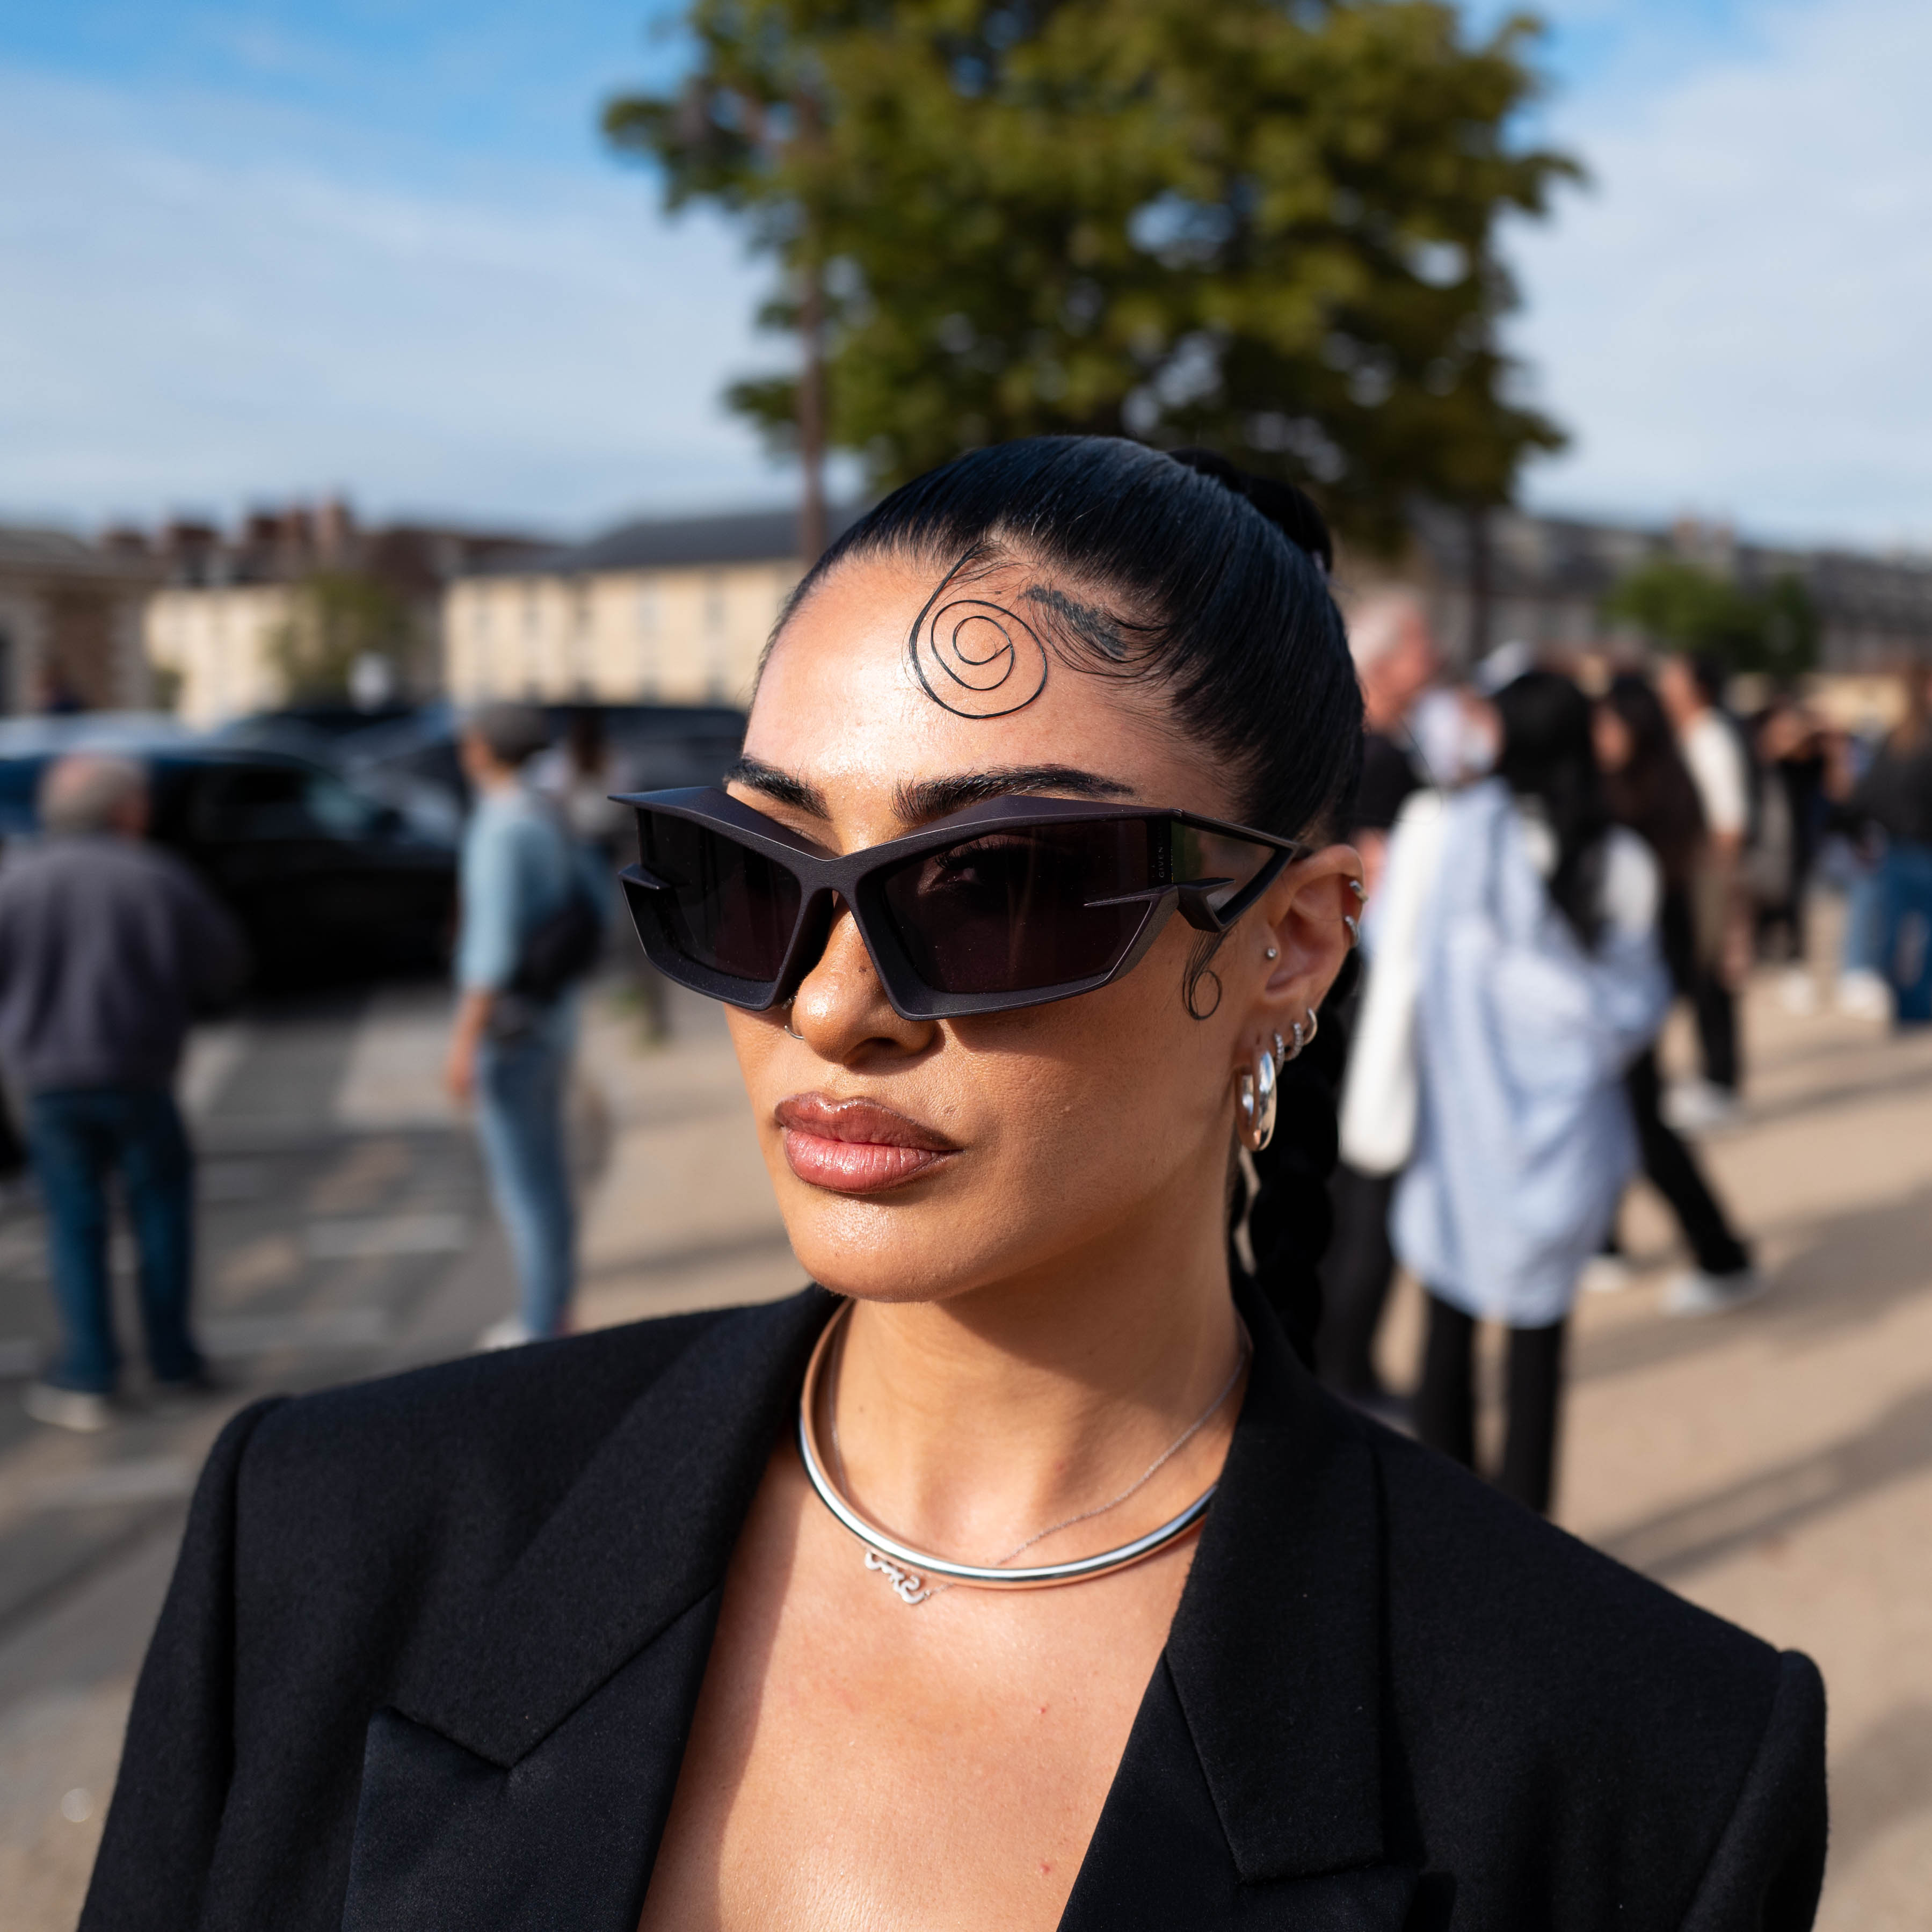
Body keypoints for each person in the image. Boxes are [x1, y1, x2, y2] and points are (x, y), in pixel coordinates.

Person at [85, 441, 1825, 1931]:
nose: (829, 999)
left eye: (990, 885)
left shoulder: (1628, 1763)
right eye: (746, 874)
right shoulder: (330, 1534)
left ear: (1289, 940)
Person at [1384, 672, 1672, 1512]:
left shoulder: (1456, 832)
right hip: (1566, 1135)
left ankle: (1444, 1527)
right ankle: (1526, 1546)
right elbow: (1633, 1001)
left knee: (1447, 1325)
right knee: (1538, 1342)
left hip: (1466, 1119)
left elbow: (1409, 959)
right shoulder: (1620, 857)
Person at [0, 753, 247, 1431]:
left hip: (47, 1079)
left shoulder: (16, 881)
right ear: (123, 812)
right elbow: (223, 964)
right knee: (160, 1216)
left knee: (74, 1224)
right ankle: (173, 1361)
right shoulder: (157, 877)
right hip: (139, 1070)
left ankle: (91, 1372)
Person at [1595, 674, 1764, 1317]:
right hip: (1638, 975)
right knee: (1615, 1108)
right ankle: (1605, 1239)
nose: (1598, 735)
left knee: (1639, 1117)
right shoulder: (1648, 783)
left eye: (1607, 723)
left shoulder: (1649, 795)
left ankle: (1722, 1252)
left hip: (1638, 978)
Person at [445, 703, 603, 1348]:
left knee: (524, 1187)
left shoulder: (501, 825)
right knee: (549, 1179)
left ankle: (540, 1322)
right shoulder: (547, 809)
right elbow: (595, 901)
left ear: (480, 749)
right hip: (553, 1019)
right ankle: (556, 1310)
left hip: (509, 1031)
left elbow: (489, 952)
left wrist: (461, 1044)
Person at [1312, 591, 1435, 1406]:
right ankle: (1347, 1370)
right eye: (1424, 644)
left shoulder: (1344, 741)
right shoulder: (1379, 756)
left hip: (1336, 986)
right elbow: (1375, 879)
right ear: (1386, 662)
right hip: (1367, 992)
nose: (1438, 657)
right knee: (1368, 1184)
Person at [1658, 652, 1751, 1128]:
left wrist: (1727, 894)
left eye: (1672, 675)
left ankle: (1723, 1083)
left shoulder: (1711, 740)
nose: (1664, 682)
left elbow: (1728, 825)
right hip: (1690, 872)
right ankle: (1711, 1077)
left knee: (1712, 976)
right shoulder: (1689, 736)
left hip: (1708, 872)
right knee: (1695, 977)